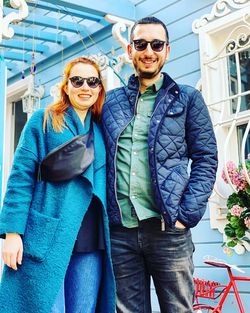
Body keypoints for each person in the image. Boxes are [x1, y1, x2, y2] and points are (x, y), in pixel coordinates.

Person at [102, 16, 218, 313]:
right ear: (129, 51)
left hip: (169, 230)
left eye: (156, 44)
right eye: (141, 44)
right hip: (121, 233)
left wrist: (186, 216)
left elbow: (206, 158)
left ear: (167, 50)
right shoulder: (110, 102)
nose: (148, 51)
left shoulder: (189, 98)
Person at [0, 57, 116, 313]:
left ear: (99, 88)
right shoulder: (43, 120)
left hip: (90, 236)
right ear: (66, 86)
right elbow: (20, 176)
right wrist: (12, 233)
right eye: (78, 80)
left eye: (93, 81)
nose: (85, 87)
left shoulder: (100, 131)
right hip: (49, 232)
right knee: (43, 307)